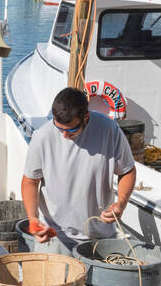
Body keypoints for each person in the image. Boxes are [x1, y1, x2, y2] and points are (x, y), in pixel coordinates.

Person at [21, 86, 136, 254]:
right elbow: (30, 181)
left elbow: (127, 171)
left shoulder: (109, 130)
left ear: (86, 116)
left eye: (72, 130)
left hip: (100, 236)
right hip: (55, 236)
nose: (65, 135)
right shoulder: (42, 136)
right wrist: (32, 218)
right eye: (59, 128)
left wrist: (121, 203)